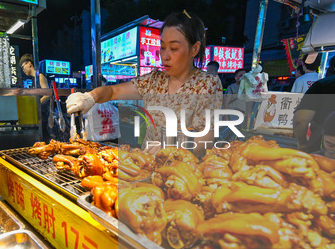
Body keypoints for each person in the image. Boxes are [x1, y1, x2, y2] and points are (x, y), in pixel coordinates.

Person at [66, 11, 223, 157]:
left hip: (182, 173)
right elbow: (113, 91)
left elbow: (204, 140)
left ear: (194, 49)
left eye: (174, 48)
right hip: (145, 166)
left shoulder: (207, 85)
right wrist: (91, 97)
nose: (165, 56)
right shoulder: (153, 81)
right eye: (162, 47)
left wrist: (170, 147)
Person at [19, 54, 50, 142]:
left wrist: (36, 104)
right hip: (40, 115)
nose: (23, 69)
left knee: (45, 138)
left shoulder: (40, 76)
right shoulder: (34, 79)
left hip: (44, 115)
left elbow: (47, 94)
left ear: (29, 63)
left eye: (23, 66)